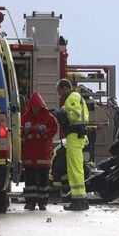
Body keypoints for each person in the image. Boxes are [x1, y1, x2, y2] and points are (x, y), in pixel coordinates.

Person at [55, 79, 89, 211]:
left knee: (75, 169)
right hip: (75, 135)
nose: (60, 94)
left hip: (75, 135)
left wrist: (61, 114)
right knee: (74, 167)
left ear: (65, 88)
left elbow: (73, 115)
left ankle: (78, 201)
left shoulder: (73, 97)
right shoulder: (73, 98)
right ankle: (81, 199)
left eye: (59, 91)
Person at [22, 92, 58, 210]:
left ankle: (43, 202)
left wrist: (45, 132)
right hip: (31, 154)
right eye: (33, 107)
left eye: (37, 107)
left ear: (41, 106)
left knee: (44, 179)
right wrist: (24, 132)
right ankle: (30, 202)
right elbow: (19, 131)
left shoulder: (48, 117)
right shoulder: (25, 117)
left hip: (41, 153)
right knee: (30, 179)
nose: (35, 109)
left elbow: (54, 129)